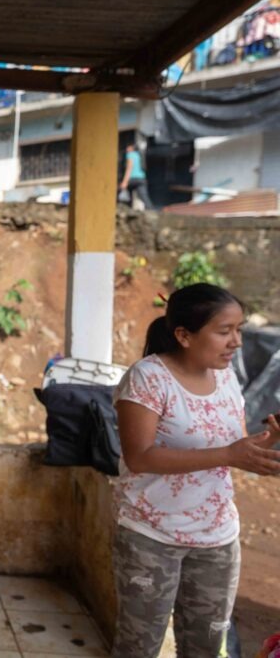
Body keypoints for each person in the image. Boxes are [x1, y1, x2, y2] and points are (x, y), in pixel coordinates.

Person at [111, 283, 280, 658]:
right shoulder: (147, 378)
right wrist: (230, 453)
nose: (236, 341)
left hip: (217, 538)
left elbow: (232, 447)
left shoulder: (226, 379)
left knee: (204, 647)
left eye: (239, 329)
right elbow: (139, 457)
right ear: (184, 335)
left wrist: (267, 440)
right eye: (224, 331)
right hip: (151, 536)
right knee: (139, 646)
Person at [120, 143, 151, 211]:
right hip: (141, 178)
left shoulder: (130, 155)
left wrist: (125, 182)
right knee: (144, 197)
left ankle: (125, 210)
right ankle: (150, 211)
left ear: (131, 148)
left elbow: (129, 168)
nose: (127, 148)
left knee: (122, 192)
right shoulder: (139, 155)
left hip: (132, 178)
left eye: (128, 147)